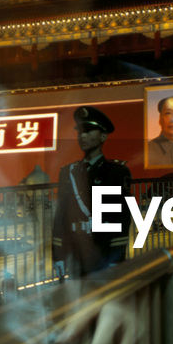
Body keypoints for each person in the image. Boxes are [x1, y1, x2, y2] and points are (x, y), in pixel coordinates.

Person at [52, 105, 132, 279]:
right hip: (75, 252)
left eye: (88, 131)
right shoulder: (68, 172)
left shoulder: (115, 172)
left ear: (103, 136)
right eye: (80, 131)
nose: (82, 136)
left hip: (102, 251)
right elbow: (61, 216)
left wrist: (115, 258)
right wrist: (58, 255)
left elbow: (120, 218)